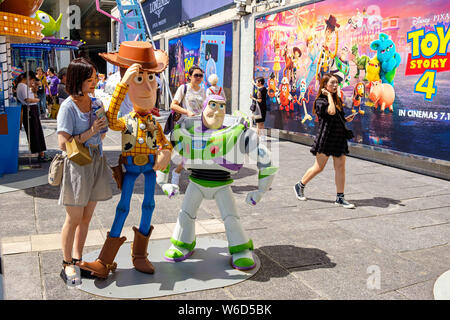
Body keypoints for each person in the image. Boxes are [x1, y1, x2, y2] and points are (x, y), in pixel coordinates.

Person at [80, 41, 174, 278]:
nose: (148, 87)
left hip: (149, 170)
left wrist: (165, 152)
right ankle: (105, 260)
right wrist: (122, 85)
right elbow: (112, 120)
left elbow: (165, 142)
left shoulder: (153, 122)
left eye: (151, 79)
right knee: (123, 207)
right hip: (131, 169)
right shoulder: (127, 120)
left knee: (149, 205)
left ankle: (140, 254)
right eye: (140, 79)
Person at [163, 95, 278, 270]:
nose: (217, 111)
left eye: (221, 106)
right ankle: (182, 243)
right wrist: (164, 182)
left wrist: (261, 190)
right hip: (196, 181)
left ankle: (240, 249)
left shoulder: (239, 133)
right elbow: (163, 155)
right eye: (213, 105)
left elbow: (266, 160)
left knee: (231, 218)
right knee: (185, 214)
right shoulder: (186, 131)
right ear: (203, 107)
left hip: (222, 184)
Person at [56, 58, 112, 285]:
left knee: (87, 217)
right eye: (90, 79)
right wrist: (90, 132)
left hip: (97, 161)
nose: (95, 82)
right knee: (74, 218)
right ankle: (67, 263)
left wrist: (100, 128)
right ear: (79, 80)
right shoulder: (67, 107)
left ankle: (78, 259)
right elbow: (62, 143)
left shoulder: (96, 103)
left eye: (95, 78)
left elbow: (104, 133)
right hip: (77, 165)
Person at [293, 74, 356, 208]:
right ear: (325, 85)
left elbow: (336, 117)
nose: (335, 85)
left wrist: (346, 119)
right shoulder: (321, 101)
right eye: (332, 83)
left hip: (339, 138)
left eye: (336, 83)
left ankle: (340, 197)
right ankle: (300, 185)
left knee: (340, 168)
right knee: (319, 167)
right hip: (326, 138)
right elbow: (331, 112)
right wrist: (328, 95)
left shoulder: (337, 99)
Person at [169, 65, 206, 186]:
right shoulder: (183, 88)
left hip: (199, 126)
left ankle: (193, 177)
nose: (199, 78)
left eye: (201, 75)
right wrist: (187, 112)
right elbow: (173, 105)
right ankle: (176, 173)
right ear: (189, 76)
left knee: (198, 153)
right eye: (196, 75)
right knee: (188, 153)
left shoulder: (203, 90)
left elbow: (205, 108)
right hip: (185, 125)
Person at [15, 71, 50, 162]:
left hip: (31, 110)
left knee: (36, 132)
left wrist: (34, 90)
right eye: (32, 81)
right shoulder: (22, 86)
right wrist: (36, 100)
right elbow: (27, 99)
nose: (32, 83)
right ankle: (40, 153)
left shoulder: (23, 86)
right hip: (29, 110)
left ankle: (41, 152)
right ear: (28, 78)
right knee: (35, 132)